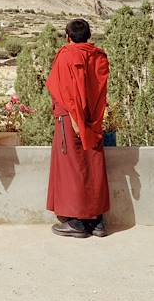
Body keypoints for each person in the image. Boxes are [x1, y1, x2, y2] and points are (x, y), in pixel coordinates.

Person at [47, 18, 110, 238]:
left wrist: (75, 120)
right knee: (93, 164)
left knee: (73, 167)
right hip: (94, 117)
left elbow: (66, 90)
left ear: (68, 37)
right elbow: (100, 88)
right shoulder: (98, 56)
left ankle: (77, 223)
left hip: (70, 119)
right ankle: (98, 222)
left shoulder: (67, 55)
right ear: (88, 36)